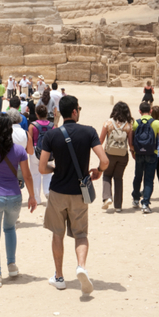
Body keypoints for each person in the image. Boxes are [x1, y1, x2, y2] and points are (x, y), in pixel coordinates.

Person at [39, 95, 109, 294]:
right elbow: (104, 161)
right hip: (79, 193)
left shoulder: (52, 135)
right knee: (80, 234)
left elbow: (43, 168)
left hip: (58, 192)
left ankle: (59, 277)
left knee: (57, 234)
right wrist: (98, 172)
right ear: (75, 112)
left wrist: (56, 170)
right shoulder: (89, 132)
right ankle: (81, 267)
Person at [0, 112, 37, 288]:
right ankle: (12, 265)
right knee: (10, 230)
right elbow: (27, 176)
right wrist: (32, 196)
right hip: (14, 196)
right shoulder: (19, 150)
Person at [130, 103, 159, 214]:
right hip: (152, 153)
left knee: (138, 176)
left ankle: (136, 199)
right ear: (151, 111)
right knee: (148, 179)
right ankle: (145, 204)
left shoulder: (136, 123)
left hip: (138, 153)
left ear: (139, 111)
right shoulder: (156, 123)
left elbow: (132, 140)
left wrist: (133, 151)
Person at [98, 101, 133, 212]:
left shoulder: (108, 123)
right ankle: (118, 206)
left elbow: (101, 140)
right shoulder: (128, 125)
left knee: (107, 175)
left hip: (109, 154)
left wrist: (100, 154)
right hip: (123, 155)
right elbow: (131, 144)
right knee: (118, 178)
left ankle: (107, 197)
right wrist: (133, 153)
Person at [26, 105, 54, 205]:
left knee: (35, 175)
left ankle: (37, 198)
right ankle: (47, 192)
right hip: (48, 152)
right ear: (46, 114)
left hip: (35, 151)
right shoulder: (52, 125)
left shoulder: (32, 125)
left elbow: (29, 140)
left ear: (37, 114)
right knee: (47, 174)